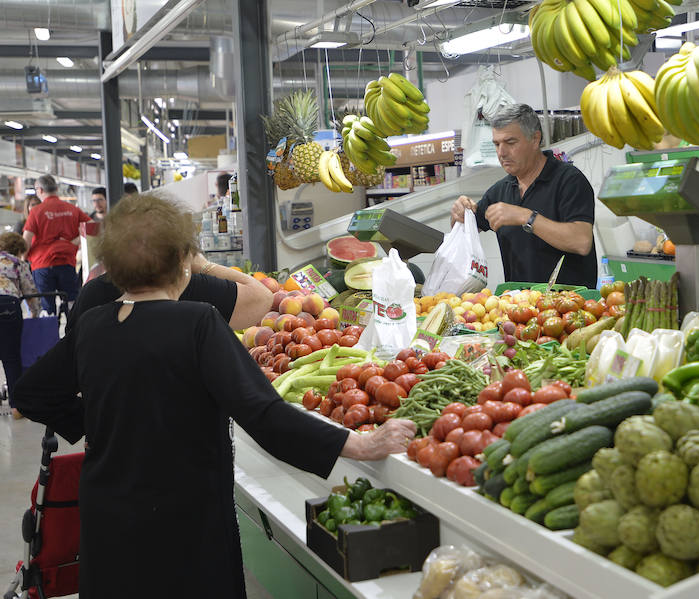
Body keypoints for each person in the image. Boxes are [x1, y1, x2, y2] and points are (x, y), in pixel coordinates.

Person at [13, 193, 416, 598]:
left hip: (109, 526)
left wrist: (101, 418)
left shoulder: (92, 325)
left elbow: (32, 393)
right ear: (181, 260)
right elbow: (263, 415)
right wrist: (361, 444)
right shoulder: (198, 322)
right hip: (186, 524)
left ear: (111, 264)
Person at [451, 104, 597, 288]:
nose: (501, 153)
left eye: (510, 143)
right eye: (497, 144)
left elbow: (581, 241)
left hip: (567, 308)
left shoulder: (569, 181)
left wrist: (525, 217)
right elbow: (464, 232)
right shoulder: (500, 191)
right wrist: (459, 213)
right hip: (519, 308)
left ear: (535, 139)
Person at [66, 249, 273, 333]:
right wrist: (203, 265)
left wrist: (87, 420)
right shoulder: (197, 302)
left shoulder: (93, 297)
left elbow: (45, 386)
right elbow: (262, 297)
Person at [22, 174, 91, 314]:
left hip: (42, 264)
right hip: (66, 262)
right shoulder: (72, 209)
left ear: (40, 190)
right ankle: (73, 333)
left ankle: (50, 334)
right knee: (72, 302)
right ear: (56, 188)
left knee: (46, 307)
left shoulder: (36, 212)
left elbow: (26, 240)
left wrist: (22, 260)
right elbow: (92, 227)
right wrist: (73, 243)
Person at [0, 232, 41, 419]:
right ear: (18, 249)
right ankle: (17, 407)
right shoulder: (19, 263)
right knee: (10, 358)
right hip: (8, 305)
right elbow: (30, 291)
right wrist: (35, 312)